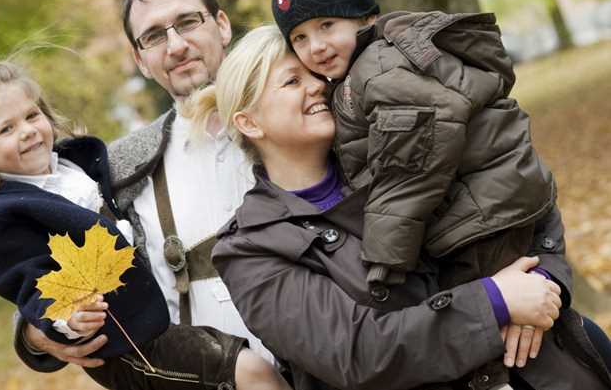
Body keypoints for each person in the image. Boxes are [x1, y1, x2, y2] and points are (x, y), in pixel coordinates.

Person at [189, 24, 611, 390]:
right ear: (249, 123)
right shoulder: (250, 250)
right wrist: (495, 301)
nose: (317, 85)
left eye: (314, 75)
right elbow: (356, 353)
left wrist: (543, 281)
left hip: (546, 372)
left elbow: (519, 190)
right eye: (292, 82)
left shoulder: (390, 146)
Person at [271, 0, 557, 387]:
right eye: (300, 37)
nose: (317, 46)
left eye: (327, 24)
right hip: (489, 203)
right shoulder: (362, 72)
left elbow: (410, 167)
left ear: (364, 16)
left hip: (482, 217)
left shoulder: (379, 65)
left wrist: (384, 260)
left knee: (492, 330)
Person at [11, 0, 290, 390]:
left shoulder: (304, 114)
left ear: (221, 25)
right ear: (140, 60)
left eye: (187, 22)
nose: (176, 46)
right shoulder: (118, 168)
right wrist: (34, 332)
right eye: (155, 36)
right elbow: (44, 258)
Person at [0, 61, 287, 390]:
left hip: (157, 319)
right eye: (6, 129)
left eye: (32, 115)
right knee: (251, 371)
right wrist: (61, 322)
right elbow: (30, 283)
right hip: (125, 343)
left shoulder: (78, 168)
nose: (28, 131)